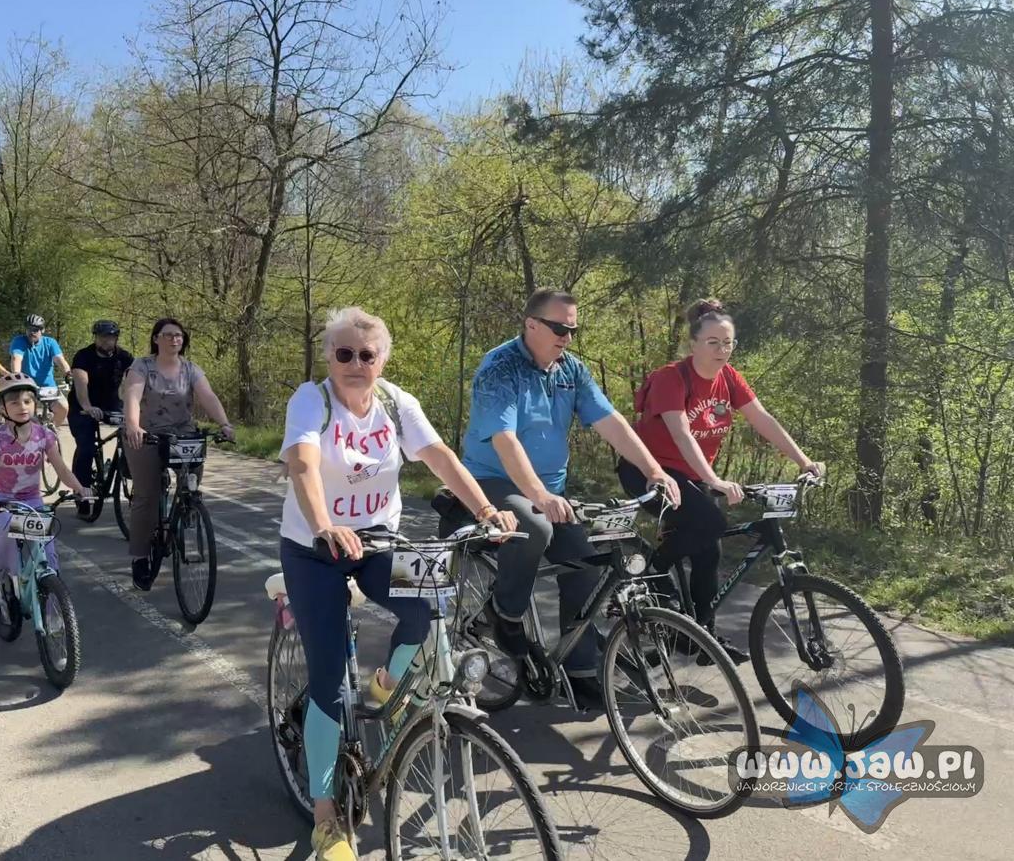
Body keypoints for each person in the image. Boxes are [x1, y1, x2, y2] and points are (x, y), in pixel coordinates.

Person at [280, 307, 517, 861]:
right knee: (330, 684)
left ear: (382, 359)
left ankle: (387, 683)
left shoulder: (395, 402)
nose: (355, 363)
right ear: (328, 357)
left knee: (428, 610)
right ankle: (326, 818)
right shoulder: (311, 400)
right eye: (344, 353)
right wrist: (324, 525)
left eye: (367, 354)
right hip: (315, 549)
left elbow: (438, 456)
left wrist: (485, 510)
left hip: (379, 543)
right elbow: (304, 464)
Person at [455, 288, 681, 710]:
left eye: (574, 330)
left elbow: (610, 421)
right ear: (531, 324)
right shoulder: (499, 367)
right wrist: (538, 494)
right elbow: (504, 439)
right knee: (534, 526)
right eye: (560, 328)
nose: (568, 337)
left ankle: (580, 671)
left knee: (586, 563)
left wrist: (654, 470)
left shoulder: (570, 370)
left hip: (550, 487)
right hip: (492, 480)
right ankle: (504, 613)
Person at [618, 298, 824, 662]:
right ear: (693, 344)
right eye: (713, 342)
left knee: (708, 551)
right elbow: (682, 434)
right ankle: (649, 573)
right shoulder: (671, 377)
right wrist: (714, 479)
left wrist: (804, 461)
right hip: (648, 471)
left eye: (728, 343)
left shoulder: (729, 378)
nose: (722, 350)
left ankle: (703, 638)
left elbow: (763, 420)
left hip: (692, 474)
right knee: (711, 523)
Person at [122, 318, 234, 590]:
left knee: (192, 481)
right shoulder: (142, 366)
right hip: (147, 434)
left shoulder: (191, 369)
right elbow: (133, 396)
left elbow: (208, 396)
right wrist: (133, 425)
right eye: (168, 335)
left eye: (179, 335)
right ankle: (140, 557)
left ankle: (187, 514)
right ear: (156, 339)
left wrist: (224, 424)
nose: (175, 339)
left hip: (182, 434)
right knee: (147, 496)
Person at [0, 373, 91, 606]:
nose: (22, 407)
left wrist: (79, 488)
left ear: (35, 404)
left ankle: (55, 607)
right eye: (14, 402)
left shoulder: (44, 435)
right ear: (2, 407)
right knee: (7, 527)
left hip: (31, 499)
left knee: (48, 551)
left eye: (27, 401)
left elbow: (62, 469)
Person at [68, 320, 133, 507]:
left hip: (111, 404)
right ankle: (82, 492)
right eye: (101, 337)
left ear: (116, 338)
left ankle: (129, 472)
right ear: (95, 338)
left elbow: (137, 380)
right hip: (82, 406)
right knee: (87, 448)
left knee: (135, 437)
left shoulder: (124, 357)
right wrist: (87, 406)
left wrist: (136, 408)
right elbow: (81, 382)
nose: (105, 341)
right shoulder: (83, 356)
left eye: (110, 337)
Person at [9, 314, 70, 426]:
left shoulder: (50, 342)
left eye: (36, 330)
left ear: (42, 330)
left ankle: (52, 431)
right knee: (28, 416)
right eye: (29, 329)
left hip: (48, 387)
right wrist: (17, 376)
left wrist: (68, 373)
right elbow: (16, 358)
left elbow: (59, 359)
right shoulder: (19, 341)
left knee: (63, 407)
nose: (32, 332)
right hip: (27, 386)